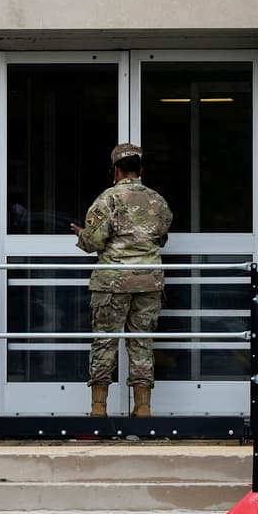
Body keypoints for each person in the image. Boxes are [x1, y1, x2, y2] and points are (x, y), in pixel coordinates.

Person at [71, 143, 173, 418]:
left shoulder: (107, 199)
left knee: (104, 343)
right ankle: (142, 410)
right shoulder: (158, 200)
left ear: (115, 170)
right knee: (142, 343)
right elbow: (161, 237)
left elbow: (93, 242)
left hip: (112, 283)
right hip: (149, 281)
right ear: (140, 170)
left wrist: (81, 234)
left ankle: (98, 410)